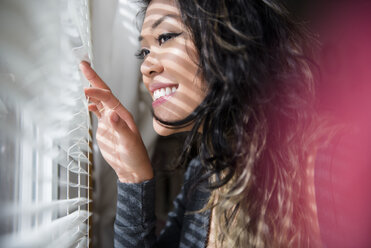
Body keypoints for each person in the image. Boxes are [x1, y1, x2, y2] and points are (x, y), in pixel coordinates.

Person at [80, 0, 323, 247]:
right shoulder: (204, 174)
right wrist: (132, 175)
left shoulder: (323, 162)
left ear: (229, 40)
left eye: (164, 37)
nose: (146, 67)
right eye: (144, 52)